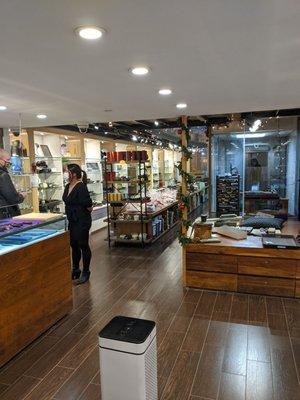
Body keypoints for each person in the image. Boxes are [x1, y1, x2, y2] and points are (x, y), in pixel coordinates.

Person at [63, 164, 93, 284]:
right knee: (73, 245)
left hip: (82, 220)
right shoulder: (67, 186)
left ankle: (86, 271)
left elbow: (89, 206)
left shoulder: (81, 187)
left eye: (67, 172)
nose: (65, 174)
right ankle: (76, 269)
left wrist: (81, 211)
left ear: (74, 174)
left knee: (83, 244)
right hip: (72, 220)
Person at [0, 149, 25, 218]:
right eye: (7, 160)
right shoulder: (3, 175)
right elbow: (13, 198)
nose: (9, 162)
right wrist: (22, 196)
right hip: (5, 214)